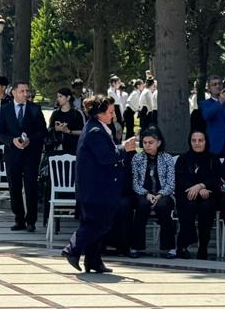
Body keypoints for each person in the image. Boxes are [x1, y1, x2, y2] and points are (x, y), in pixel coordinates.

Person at [63, 96, 137, 273]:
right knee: (98, 223)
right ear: (99, 114)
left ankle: (93, 260)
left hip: (97, 187)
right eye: (110, 112)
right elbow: (105, 156)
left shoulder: (97, 128)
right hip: (95, 188)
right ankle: (72, 249)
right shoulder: (95, 131)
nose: (113, 115)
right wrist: (124, 148)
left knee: (97, 222)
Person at [0, 82, 47, 232]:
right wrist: (11, 140)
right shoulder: (5, 109)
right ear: (13, 92)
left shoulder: (35, 109)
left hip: (31, 154)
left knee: (31, 186)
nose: (25, 94)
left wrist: (30, 140)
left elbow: (43, 132)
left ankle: (31, 220)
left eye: (27, 91)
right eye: (22, 91)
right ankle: (19, 219)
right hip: (12, 154)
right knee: (14, 187)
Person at [130, 127, 176, 257]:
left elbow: (171, 183)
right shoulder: (137, 158)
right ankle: (136, 247)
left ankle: (170, 248)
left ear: (159, 143)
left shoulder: (167, 158)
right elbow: (135, 182)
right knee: (142, 206)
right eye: (144, 143)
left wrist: (160, 194)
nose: (147, 146)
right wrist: (146, 194)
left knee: (163, 206)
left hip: (164, 194)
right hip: (143, 193)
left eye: (151, 143)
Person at [175, 131, 219, 259]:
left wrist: (201, 186)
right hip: (187, 194)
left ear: (206, 142)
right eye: (194, 140)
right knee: (189, 206)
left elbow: (216, 179)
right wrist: (194, 188)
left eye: (200, 140)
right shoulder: (183, 158)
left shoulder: (213, 158)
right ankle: (183, 246)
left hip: (208, 194)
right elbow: (179, 179)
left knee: (206, 208)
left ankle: (203, 246)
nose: (197, 143)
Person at [199, 75, 225, 157]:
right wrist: (220, 101)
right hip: (216, 147)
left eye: (219, 84)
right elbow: (206, 115)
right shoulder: (205, 104)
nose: (218, 86)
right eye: (214, 85)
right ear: (209, 89)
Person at [48, 87, 84, 154]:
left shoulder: (77, 113)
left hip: (74, 149)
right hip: (57, 149)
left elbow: (83, 132)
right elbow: (49, 130)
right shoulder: (55, 113)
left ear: (68, 97)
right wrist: (55, 129)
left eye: (60, 96)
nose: (58, 99)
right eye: (58, 97)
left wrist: (69, 131)